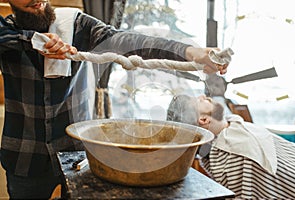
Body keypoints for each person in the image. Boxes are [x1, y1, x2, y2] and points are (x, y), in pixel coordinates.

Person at [0, 0, 230, 199]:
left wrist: (190, 52)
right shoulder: (5, 30)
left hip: (75, 156)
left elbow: (126, 40)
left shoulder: (74, 24)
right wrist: (34, 41)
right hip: (23, 158)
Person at [167, 94, 295, 199]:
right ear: (203, 119)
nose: (203, 96)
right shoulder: (234, 154)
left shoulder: (234, 125)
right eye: (199, 101)